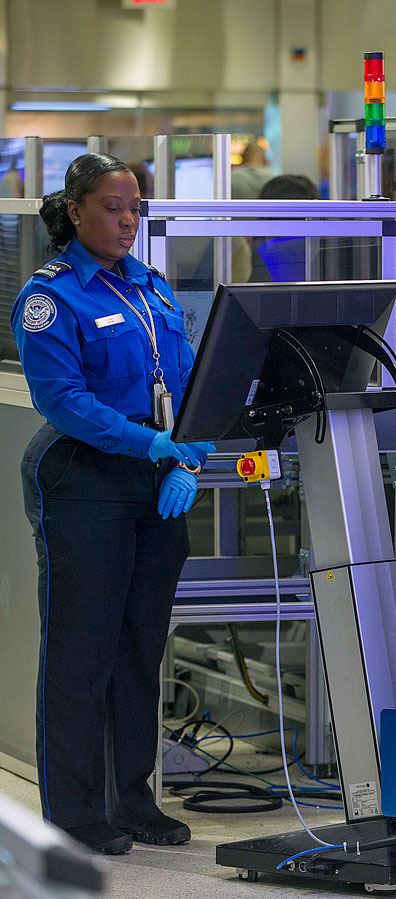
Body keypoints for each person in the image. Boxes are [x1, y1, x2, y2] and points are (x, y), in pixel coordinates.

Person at [10, 153, 215, 855]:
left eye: (136, 209)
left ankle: (133, 800)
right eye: (112, 207)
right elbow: (62, 401)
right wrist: (152, 444)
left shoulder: (151, 289)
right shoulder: (52, 296)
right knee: (80, 652)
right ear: (76, 211)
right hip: (85, 482)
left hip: (154, 486)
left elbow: (189, 385)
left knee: (139, 650)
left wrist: (192, 451)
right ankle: (72, 811)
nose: (128, 221)